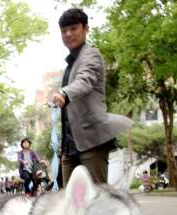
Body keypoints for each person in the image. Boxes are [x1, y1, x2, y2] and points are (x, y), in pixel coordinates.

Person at [51, 8, 131, 185]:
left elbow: (84, 81)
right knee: (69, 202)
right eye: (64, 31)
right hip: (69, 145)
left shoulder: (91, 55)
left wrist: (64, 93)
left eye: (73, 28)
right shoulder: (70, 63)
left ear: (86, 29)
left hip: (91, 141)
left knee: (96, 199)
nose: (68, 34)